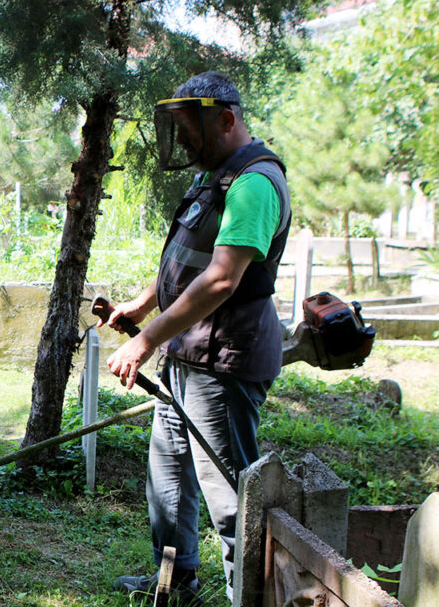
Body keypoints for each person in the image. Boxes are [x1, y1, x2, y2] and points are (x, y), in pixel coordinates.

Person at [99, 71, 290, 605]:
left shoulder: (253, 183)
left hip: (224, 360)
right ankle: (176, 583)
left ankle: (245, 596)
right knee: (168, 482)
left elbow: (224, 278)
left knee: (231, 499)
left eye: (188, 128)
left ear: (226, 120)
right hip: (191, 353)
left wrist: (145, 340)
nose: (180, 140)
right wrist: (139, 306)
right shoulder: (215, 175)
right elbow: (186, 259)